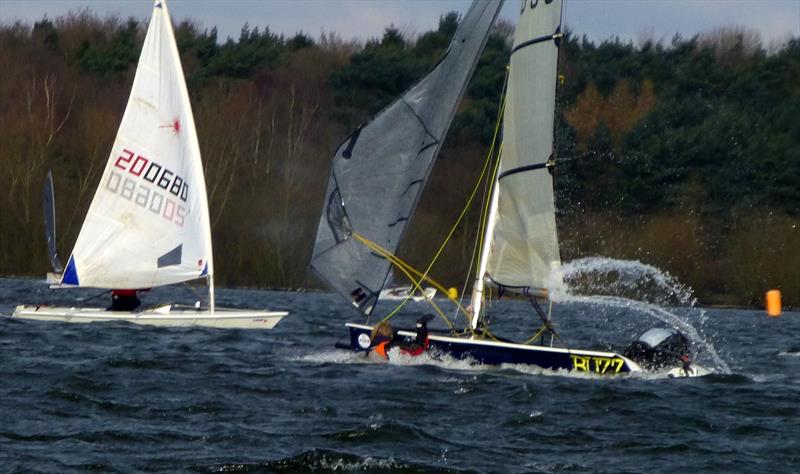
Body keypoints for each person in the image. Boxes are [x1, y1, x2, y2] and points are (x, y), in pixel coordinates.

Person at [366, 315, 432, 362]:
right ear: (390, 334)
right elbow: (417, 347)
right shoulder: (392, 346)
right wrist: (420, 326)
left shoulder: (370, 349)